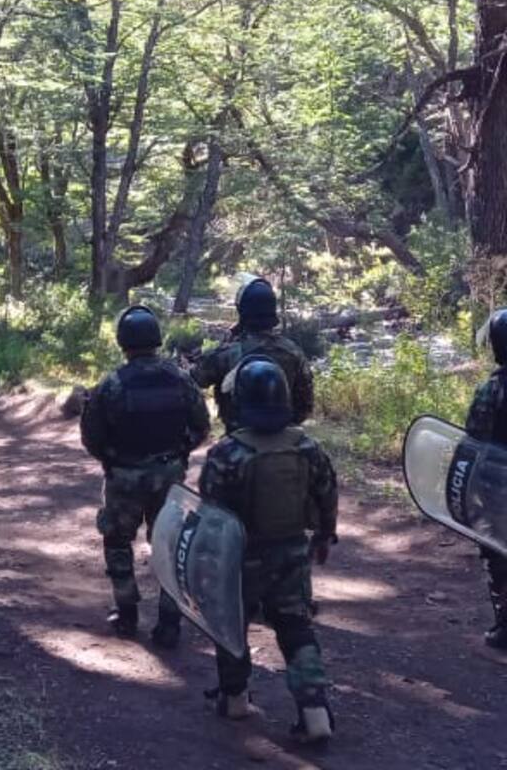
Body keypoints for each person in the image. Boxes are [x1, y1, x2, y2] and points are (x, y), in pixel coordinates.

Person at [199, 355, 338, 743]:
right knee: (296, 627)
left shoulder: (226, 454)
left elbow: (210, 515)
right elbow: (327, 495)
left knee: (231, 624)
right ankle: (314, 710)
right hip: (292, 554)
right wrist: (324, 537)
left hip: (240, 557)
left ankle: (235, 697)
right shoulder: (308, 448)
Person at [81, 305, 210, 648]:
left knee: (118, 543)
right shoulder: (180, 379)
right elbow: (201, 426)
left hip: (124, 476)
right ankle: (170, 622)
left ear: (123, 341)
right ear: (156, 338)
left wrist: (112, 459)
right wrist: (179, 453)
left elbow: (91, 437)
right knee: (168, 546)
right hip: (169, 475)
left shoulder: (111, 385)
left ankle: (127, 615)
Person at [192, 277, 313, 431]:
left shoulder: (227, 353)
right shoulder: (293, 351)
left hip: (238, 441)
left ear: (242, 311)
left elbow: (196, 378)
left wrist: (223, 344)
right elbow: (305, 404)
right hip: (285, 438)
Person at [464, 308, 507, 650]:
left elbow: (474, 439)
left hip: (499, 489)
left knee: (498, 554)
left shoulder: (490, 391)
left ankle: (505, 627)